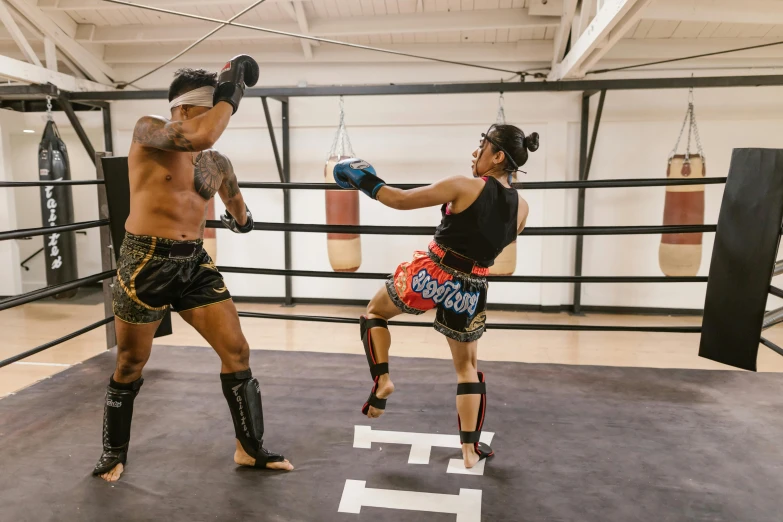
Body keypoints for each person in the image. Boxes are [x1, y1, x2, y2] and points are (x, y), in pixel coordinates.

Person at [93, 57, 293, 482]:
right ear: (183, 109)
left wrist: (241, 219)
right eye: (211, 109)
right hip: (144, 261)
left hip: (194, 264)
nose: (217, 124)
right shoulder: (149, 132)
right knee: (131, 362)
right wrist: (231, 93)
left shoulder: (215, 163)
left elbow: (237, 207)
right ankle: (113, 452)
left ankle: (250, 449)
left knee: (237, 352)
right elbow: (202, 131)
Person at [333, 124, 537, 469]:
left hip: (430, 273)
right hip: (471, 287)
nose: (476, 154)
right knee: (468, 368)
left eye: (482, 147)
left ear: (498, 156)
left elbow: (398, 199)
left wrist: (362, 178)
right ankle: (470, 449)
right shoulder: (523, 209)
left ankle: (382, 381)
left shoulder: (464, 185)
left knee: (373, 313)